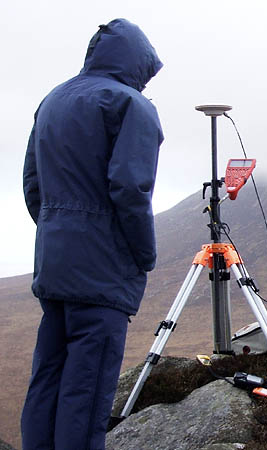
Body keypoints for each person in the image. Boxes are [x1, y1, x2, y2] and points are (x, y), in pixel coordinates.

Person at [21, 18, 163, 450]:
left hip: (55, 262)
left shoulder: (53, 100)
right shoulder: (130, 106)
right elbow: (130, 189)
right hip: (101, 271)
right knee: (88, 386)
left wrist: (60, 231)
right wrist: (143, 254)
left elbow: (32, 184)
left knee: (49, 374)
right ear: (138, 64)